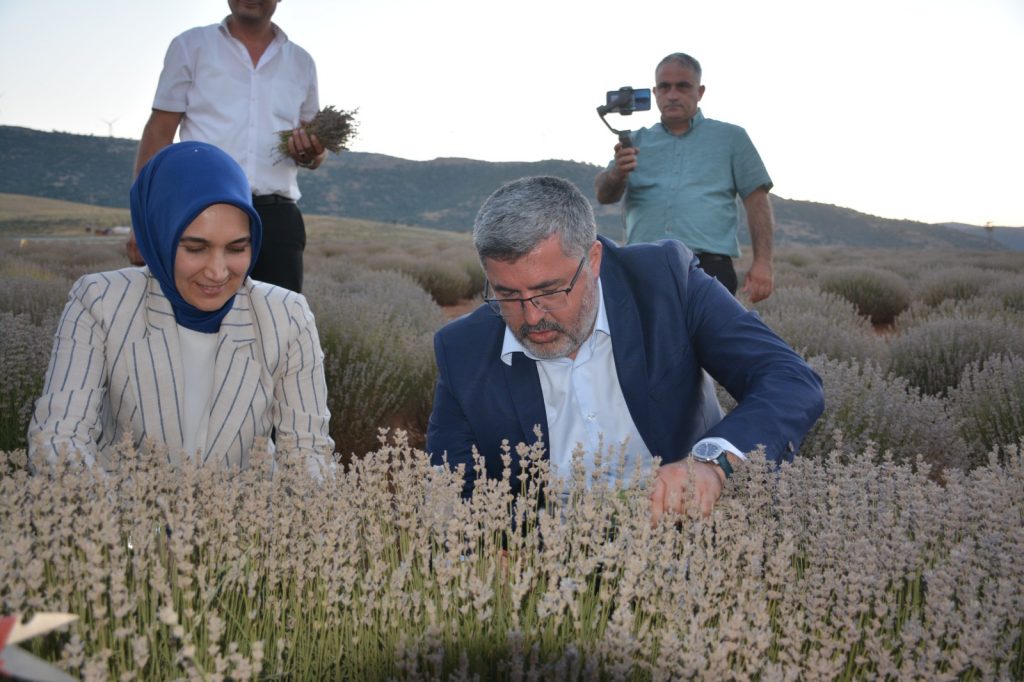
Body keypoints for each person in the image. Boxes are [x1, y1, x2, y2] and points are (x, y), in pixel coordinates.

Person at [426, 176, 822, 521]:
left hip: (690, 539)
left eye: (551, 290)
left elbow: (789, 380)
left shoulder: (665, 281)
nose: (531, 317)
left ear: (593, 258)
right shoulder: (461, 349)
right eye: (507, 295)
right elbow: (452, 489)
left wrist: (711, 465)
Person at [29, 141, 334, 477]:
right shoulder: (100, 301)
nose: (218, 272)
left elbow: (309, 454)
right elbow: (58, 441)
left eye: (236, 248)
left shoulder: (287, 315)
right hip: (119, 517)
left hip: (244, 526)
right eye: (195, 248)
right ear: (158, 233)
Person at [128, 0, 325, 293]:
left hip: (277, 220)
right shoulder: (191, 45)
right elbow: (159, 132)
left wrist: (311, 152)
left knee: (276, 325)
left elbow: (315, 152)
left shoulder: (302, 62)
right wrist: (142, 219)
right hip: (197, 210)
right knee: (190, 326)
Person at [595, 52, 776, 302]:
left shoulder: (731, 138)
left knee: (706, 342)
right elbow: (604, 195)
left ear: (699, 92)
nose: (672, 94)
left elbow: (757, 201)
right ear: (655, 92)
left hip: (708, 269)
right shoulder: (634, 141)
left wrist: (763, 263)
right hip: (642, 267)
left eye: (683, 86)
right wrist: (617, 174)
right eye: (664, 87)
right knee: (648, 342)